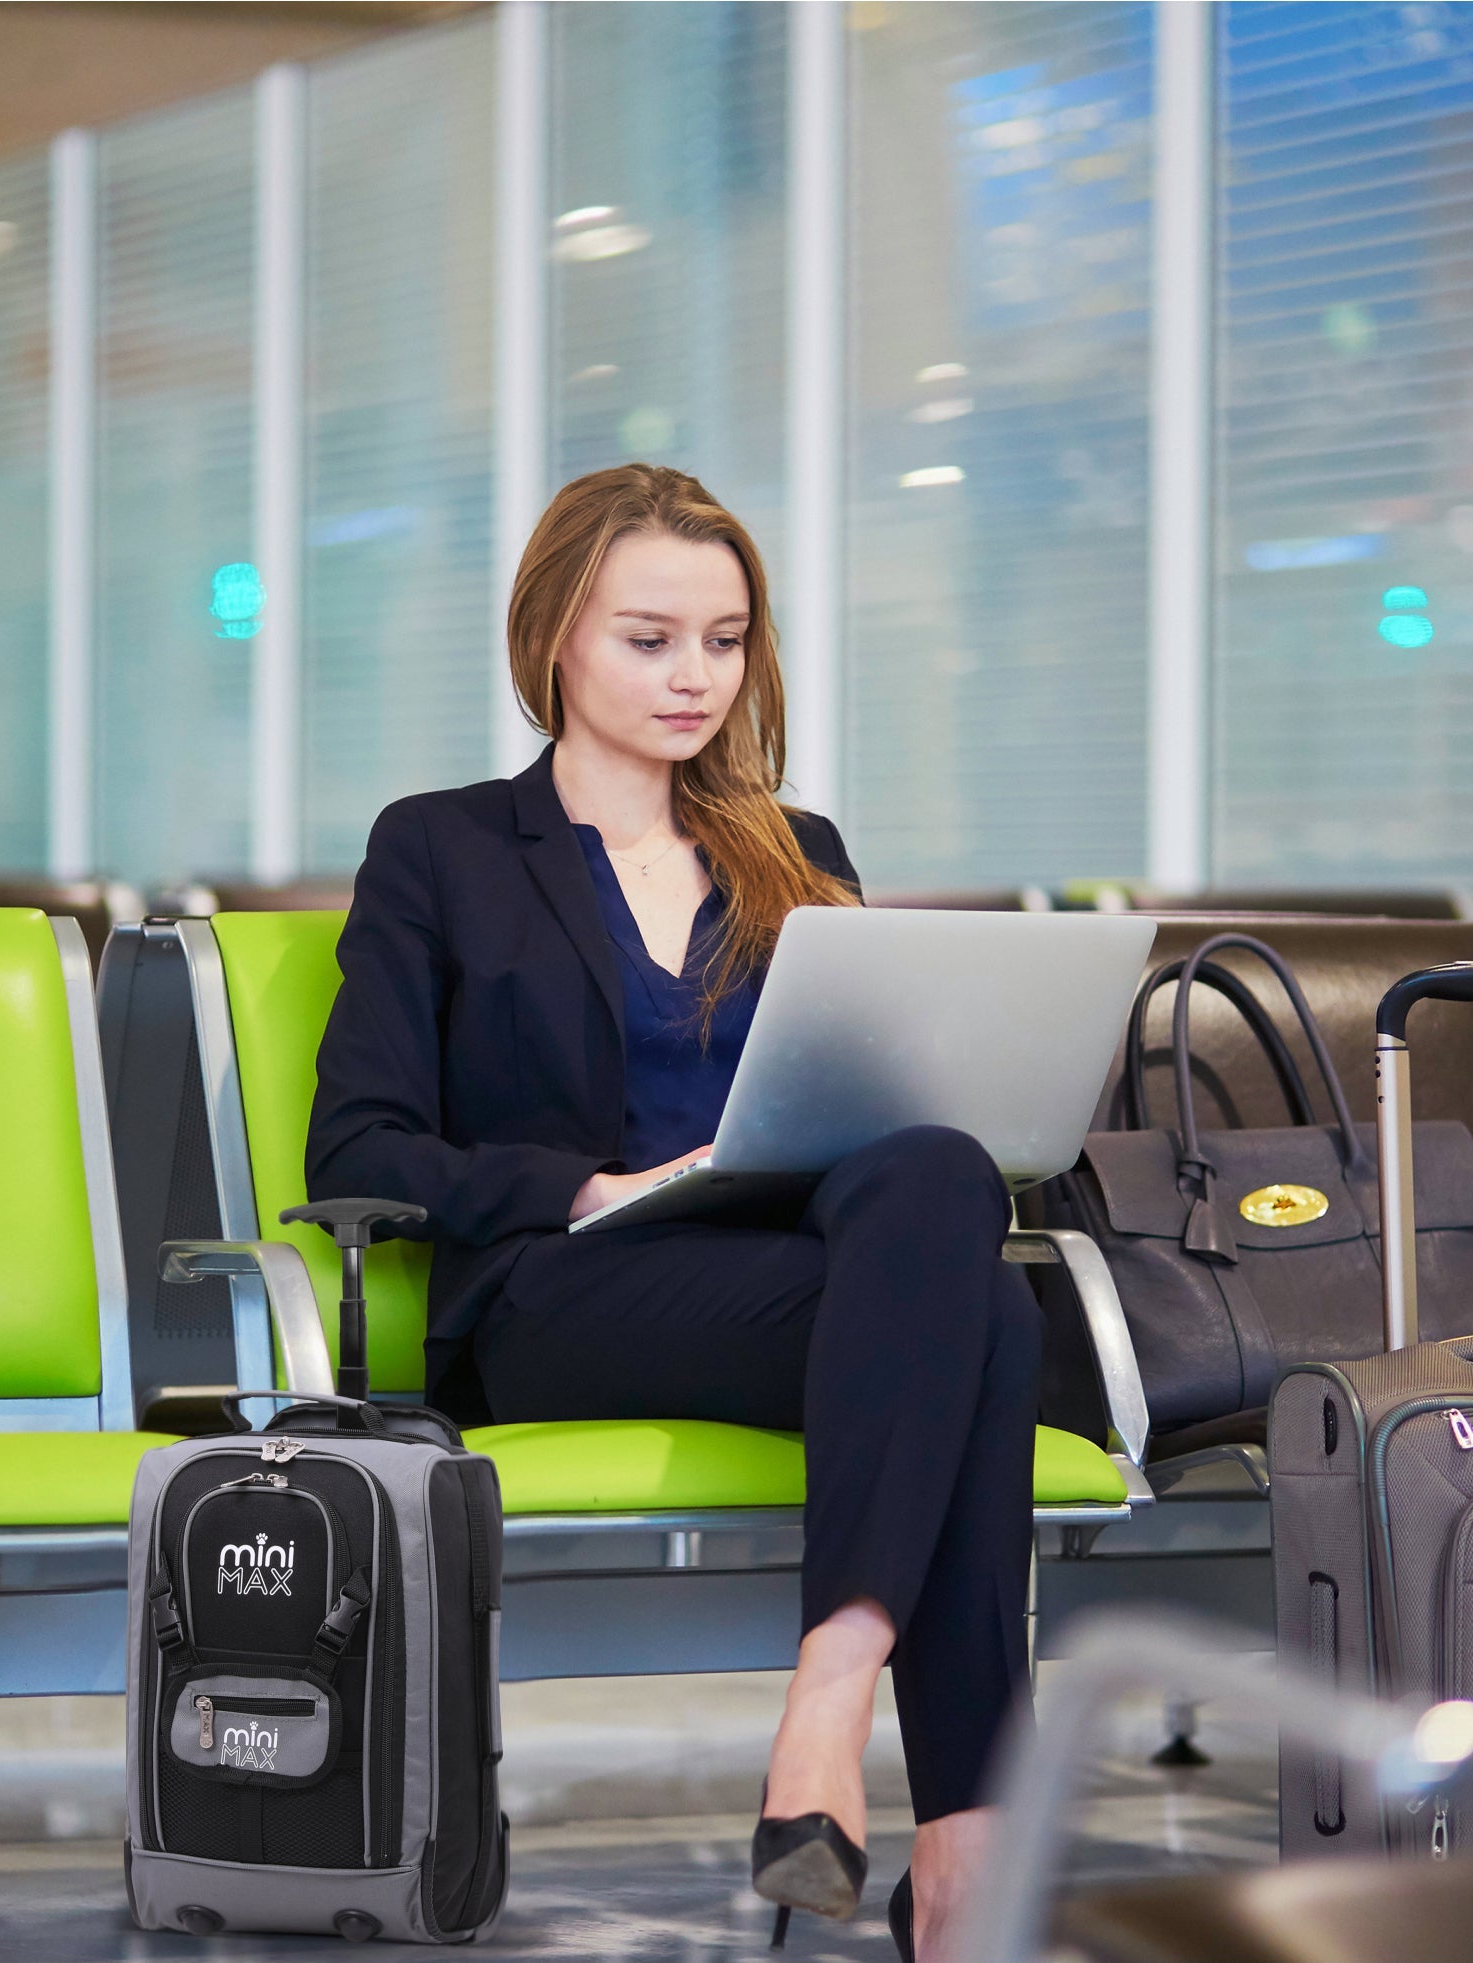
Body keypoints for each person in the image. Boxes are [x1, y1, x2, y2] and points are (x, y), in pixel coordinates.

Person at [307, 463, 1041, 1961]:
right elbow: (360, 1143)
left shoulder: (801, 851)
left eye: (724, 639)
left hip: (782, 1281)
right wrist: (589, 1184)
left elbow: (872, 1115)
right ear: (555, 636)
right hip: (565, 1294)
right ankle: (963, 1842)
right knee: (992, 1327)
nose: (694, 675)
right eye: (650, 638)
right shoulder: (440, 850)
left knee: (944, 1176)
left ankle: (835, 1710)